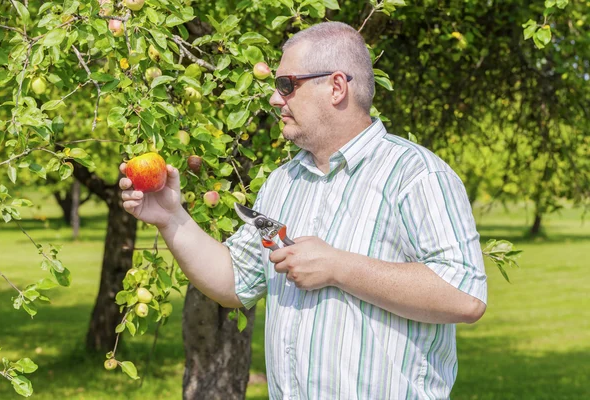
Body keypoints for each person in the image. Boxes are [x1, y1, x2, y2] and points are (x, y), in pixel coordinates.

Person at [120, 21, 487, 400]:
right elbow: (235, 280)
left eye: (286, 85)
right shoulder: (282, 183)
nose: (275, 99)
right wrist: (171, 216)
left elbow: (464, 296)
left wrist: (338, 267)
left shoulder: (416, 174)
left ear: (336, 87)